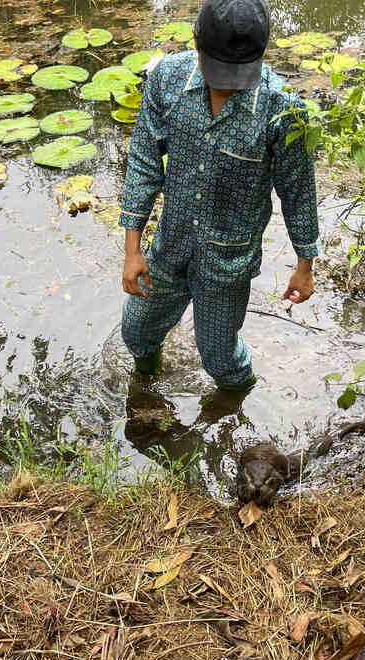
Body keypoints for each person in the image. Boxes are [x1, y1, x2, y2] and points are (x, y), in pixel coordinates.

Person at [119, 0, 319, 393]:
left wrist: (305, 265)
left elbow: (298, 191)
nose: (228, 81)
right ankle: (145, 388)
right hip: (170, 246)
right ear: (197, 47)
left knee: (219, 358)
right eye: (218, 70)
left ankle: (234, 407)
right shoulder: (168, 80)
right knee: (136, 330)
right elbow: (144, 161)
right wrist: (132, 248)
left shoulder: (281, 108)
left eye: (238, 72)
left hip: (228, 261)